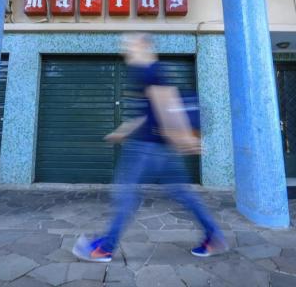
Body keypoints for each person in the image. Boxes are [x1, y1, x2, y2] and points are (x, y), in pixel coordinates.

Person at [72, 33, 228, 263]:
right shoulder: (148, 71)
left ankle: (104, 248)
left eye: (129, 45)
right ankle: (214, 236)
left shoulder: (149, 70)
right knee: (183, 193)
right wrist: (123, 131)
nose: (125, 51)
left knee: (125, 194)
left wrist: (186, 138)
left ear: (144, 45)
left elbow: (167, 106)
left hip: (146, 148)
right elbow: (150, 112)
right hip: (161, 148)